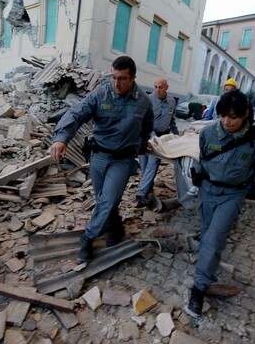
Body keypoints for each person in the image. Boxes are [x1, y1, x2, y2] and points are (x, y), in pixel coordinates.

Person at [50, 56, 154, 262]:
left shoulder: (144, 101)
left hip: (122, 160)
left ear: (133, 78)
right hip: (98, 156)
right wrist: (62, 139)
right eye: (114, 77)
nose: (116, 83)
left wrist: (141, 147)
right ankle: (116, 229)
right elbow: (77, 113)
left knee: (108, 200)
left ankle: (87, 238)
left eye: (122, 78)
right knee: (103, 199)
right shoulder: (101, 93)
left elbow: (147, 127)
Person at [185, 90, 255, 317]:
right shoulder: (208, 133)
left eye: (232, 117)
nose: (226, 121)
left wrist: (250, 189)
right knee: (207, 234)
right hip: (207, 191)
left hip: (232, 195)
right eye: (222, 116)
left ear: (245, 115)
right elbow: (202, 159)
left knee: (214, 237)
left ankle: (199, 289)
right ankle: (208, 268)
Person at [136, 77, 179, 206]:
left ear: (166, 88)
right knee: (144, 166)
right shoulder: (147, 100)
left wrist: (176, 134)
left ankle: (141, 193)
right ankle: (148, 191)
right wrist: (153, 136)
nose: (157, 90)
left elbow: (172, 120)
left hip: (161, 137)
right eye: (155, 87)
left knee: (153, 165)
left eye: (160, 87)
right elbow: (143, 121)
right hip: (145, 135)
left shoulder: (171, 101)